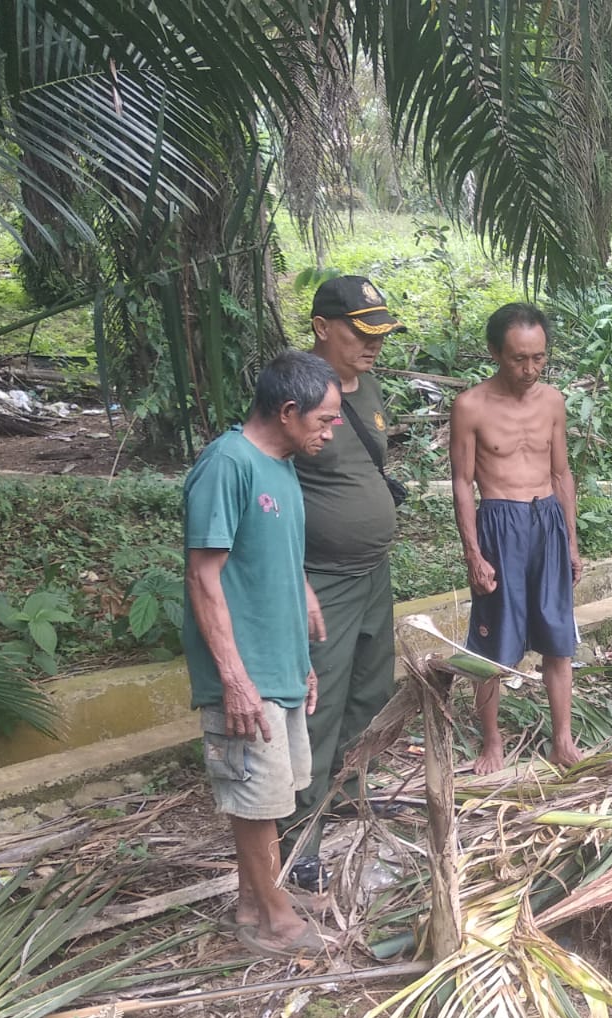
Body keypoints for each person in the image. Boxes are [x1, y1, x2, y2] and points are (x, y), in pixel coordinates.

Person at [182, 350, 342, 959]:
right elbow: (204, 576)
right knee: (254, 795)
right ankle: (274, 917)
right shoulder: (227, 465)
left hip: (278, 664)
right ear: (288, 410)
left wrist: (300, 655)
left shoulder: (282, 466)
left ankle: (255, 903)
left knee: (272, 793)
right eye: (324, 420)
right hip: (244, 671)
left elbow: (277, 559)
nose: (331, 431)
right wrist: (235, 679)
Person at [281, 276, 407, 891]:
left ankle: (349, 790)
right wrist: (293, 575)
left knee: (369, 690)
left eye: (381, 330)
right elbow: (269, 483)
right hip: (321, 578)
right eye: (362, 332)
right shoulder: (294, 392)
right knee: (318, 702)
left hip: (371, 572)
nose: (374, 343)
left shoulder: (370, 385)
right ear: (321, 327)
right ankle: (299, 834)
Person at [449, 303, 583, 775]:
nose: (529, 369)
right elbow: (462, 483)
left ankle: (562, 740)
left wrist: (571, 539)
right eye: (518, 359)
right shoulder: (471, 406)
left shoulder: (552, 400)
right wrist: (473, 553)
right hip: (499, 523)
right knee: (494, 644)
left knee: (557, 636)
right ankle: (492, 742)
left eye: (539, 358)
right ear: (494, 353)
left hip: (546, 518)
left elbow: (562, 471)